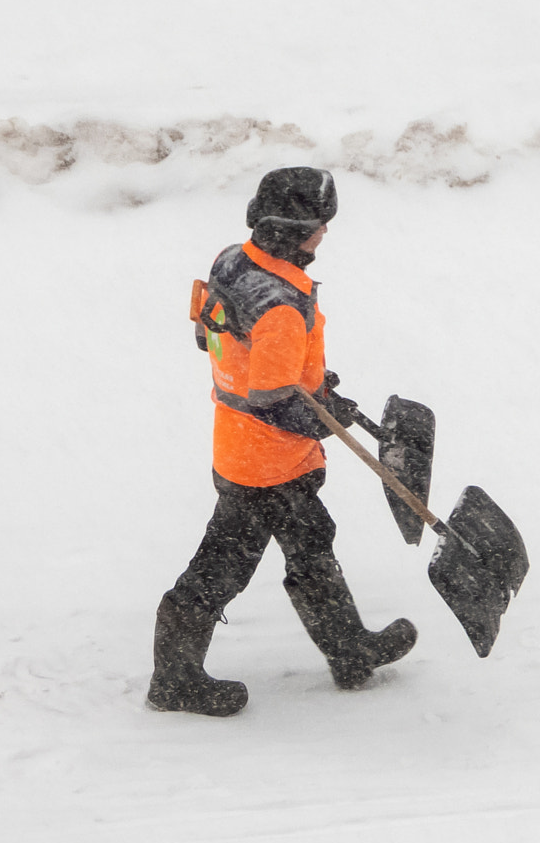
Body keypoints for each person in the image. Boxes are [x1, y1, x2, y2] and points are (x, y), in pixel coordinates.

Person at [147, 166, 416, 716]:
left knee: (312, 543)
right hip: (265, 463)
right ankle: (174, 678)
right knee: (221, 568)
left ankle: (351, 653)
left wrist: (311, 387)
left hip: (241, 443)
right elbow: (273, 400)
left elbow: (211, 336)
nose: (325, 234)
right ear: (297, 230)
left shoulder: (233, 260)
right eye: (321, 224)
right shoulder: (282, 310)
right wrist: (318, 413)